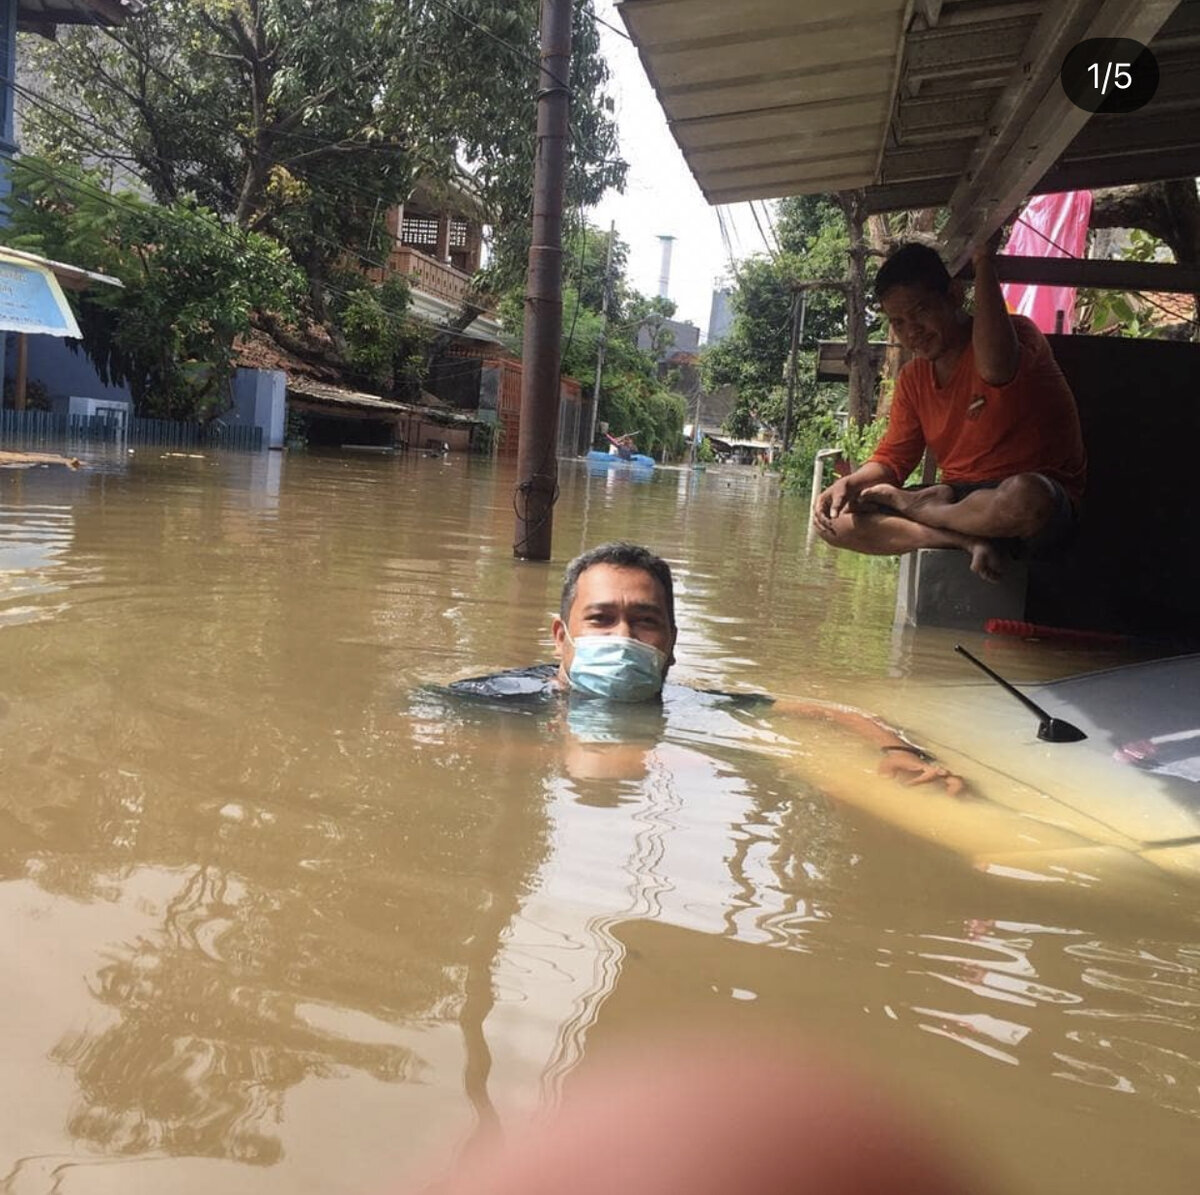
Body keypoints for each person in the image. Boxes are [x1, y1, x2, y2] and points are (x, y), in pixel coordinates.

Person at [449, 541, 963, 794]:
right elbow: (410, 723)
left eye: (645, 621)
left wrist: (899, 750)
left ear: (671, 643)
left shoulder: (690, 701)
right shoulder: (500, 697)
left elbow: (833, 714)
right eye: (600, 619)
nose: (623, 637)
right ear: (562, 638)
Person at [813, 240, 1086, 580]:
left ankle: (932, 514)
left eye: (920, 312)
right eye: (898, 322)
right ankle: (961, 540)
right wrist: (850, 483)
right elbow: (892, 462)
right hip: (957, 501)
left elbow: (996, 370)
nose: (911, 331)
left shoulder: (1017, 335)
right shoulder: (913, 378)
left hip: (1023, 506)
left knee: (1027, 497)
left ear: (954, 295)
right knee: (834, 521)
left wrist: (984, 260)